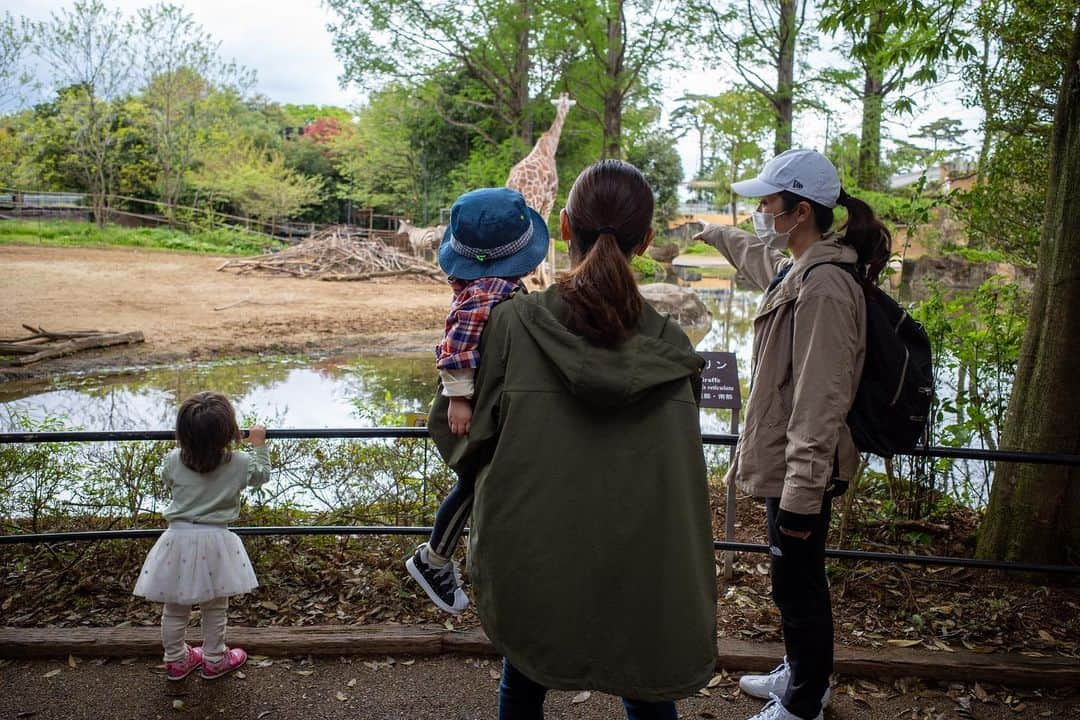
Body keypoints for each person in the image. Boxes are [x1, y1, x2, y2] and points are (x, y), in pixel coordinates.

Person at [428, 160, 718, 719]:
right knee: (649, 690)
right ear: (648, 240)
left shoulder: (514, 324)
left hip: (535, 553)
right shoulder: (674, 347)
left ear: (564, 227)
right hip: (643, 562)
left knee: (526, 676)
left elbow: (461, 438)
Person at [696, 149, 890, 720]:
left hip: (805, 464)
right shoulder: (800, 267)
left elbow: (820, 399)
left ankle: (805, 700)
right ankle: (801, 669)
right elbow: (758, 261)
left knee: (798, 582)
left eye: (768, 202)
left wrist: (802, 493)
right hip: (791, 460)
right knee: (792, 577)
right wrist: (711, 233)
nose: (760, 211)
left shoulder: (825, 287)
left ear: (799, 211)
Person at [406, 187, 549, 614]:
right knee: (473, 482)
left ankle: (440, 559)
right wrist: (458, 398)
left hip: (484, 407)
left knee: (477, 483)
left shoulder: (492, 289)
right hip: (475, 412)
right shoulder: (489, 292)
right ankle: (433, 558)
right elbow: (456, 345)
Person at [133, 392, 270, 681]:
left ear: (182, 433)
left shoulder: (173, 459)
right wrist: (258, 444)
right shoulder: (240, 462)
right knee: (215, 606)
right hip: (217, 540)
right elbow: (261, 475)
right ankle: (215, 659)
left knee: (174, 606)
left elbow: (167, 478)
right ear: (229, 431)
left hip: (178, 539)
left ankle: (176, 660)